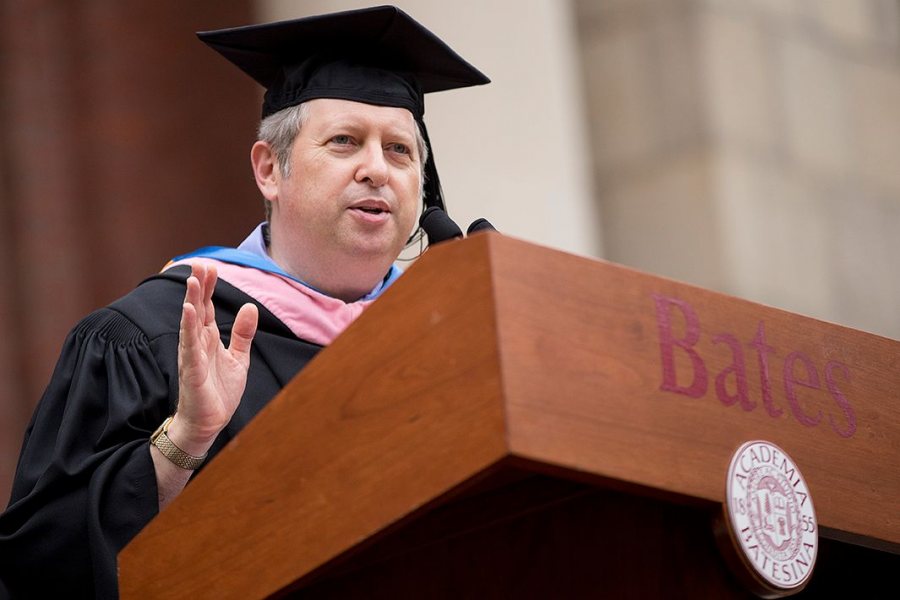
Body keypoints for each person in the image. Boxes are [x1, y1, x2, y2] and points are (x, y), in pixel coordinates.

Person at [0, 6, 488, 598]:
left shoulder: (444, 348)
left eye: (400, 151)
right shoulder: (153, 337)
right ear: (268, 170)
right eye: (344, 142)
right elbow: (40, 569)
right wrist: (185, 440)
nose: (376, 170)